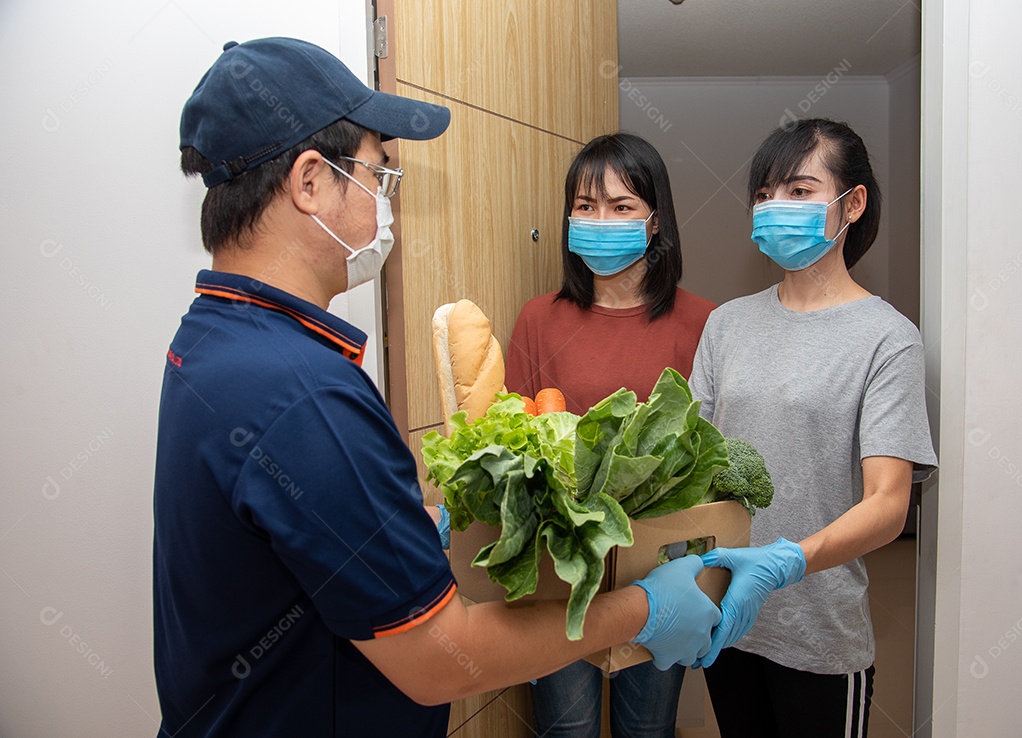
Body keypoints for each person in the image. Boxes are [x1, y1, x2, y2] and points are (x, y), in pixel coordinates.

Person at [154, 38, 724, 738]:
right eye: (379, 173)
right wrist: (643, 609)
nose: (386, 200)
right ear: (310, 182)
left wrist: (403, 525)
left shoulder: (211, 338)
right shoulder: (305, 393)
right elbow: (440, 659)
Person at [689, 118, 938, 738]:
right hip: (727, 617)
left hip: (820, 635)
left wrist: (787, 562)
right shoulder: (726, 325)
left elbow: (888, 505)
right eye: (764, 193)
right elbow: (689, 467)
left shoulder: (888, 339)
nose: (776, 206)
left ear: (851, 204)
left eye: (799, 191)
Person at [505, 132, 718, 738]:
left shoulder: (704, 322)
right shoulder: (538, 318)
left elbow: (712, 458)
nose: (600, 221)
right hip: (559, 567)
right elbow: (516, 442)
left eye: (622, 206)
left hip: (661, 569)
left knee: (647, 729)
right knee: (566, 729)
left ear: (656, 221)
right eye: (585, 206)